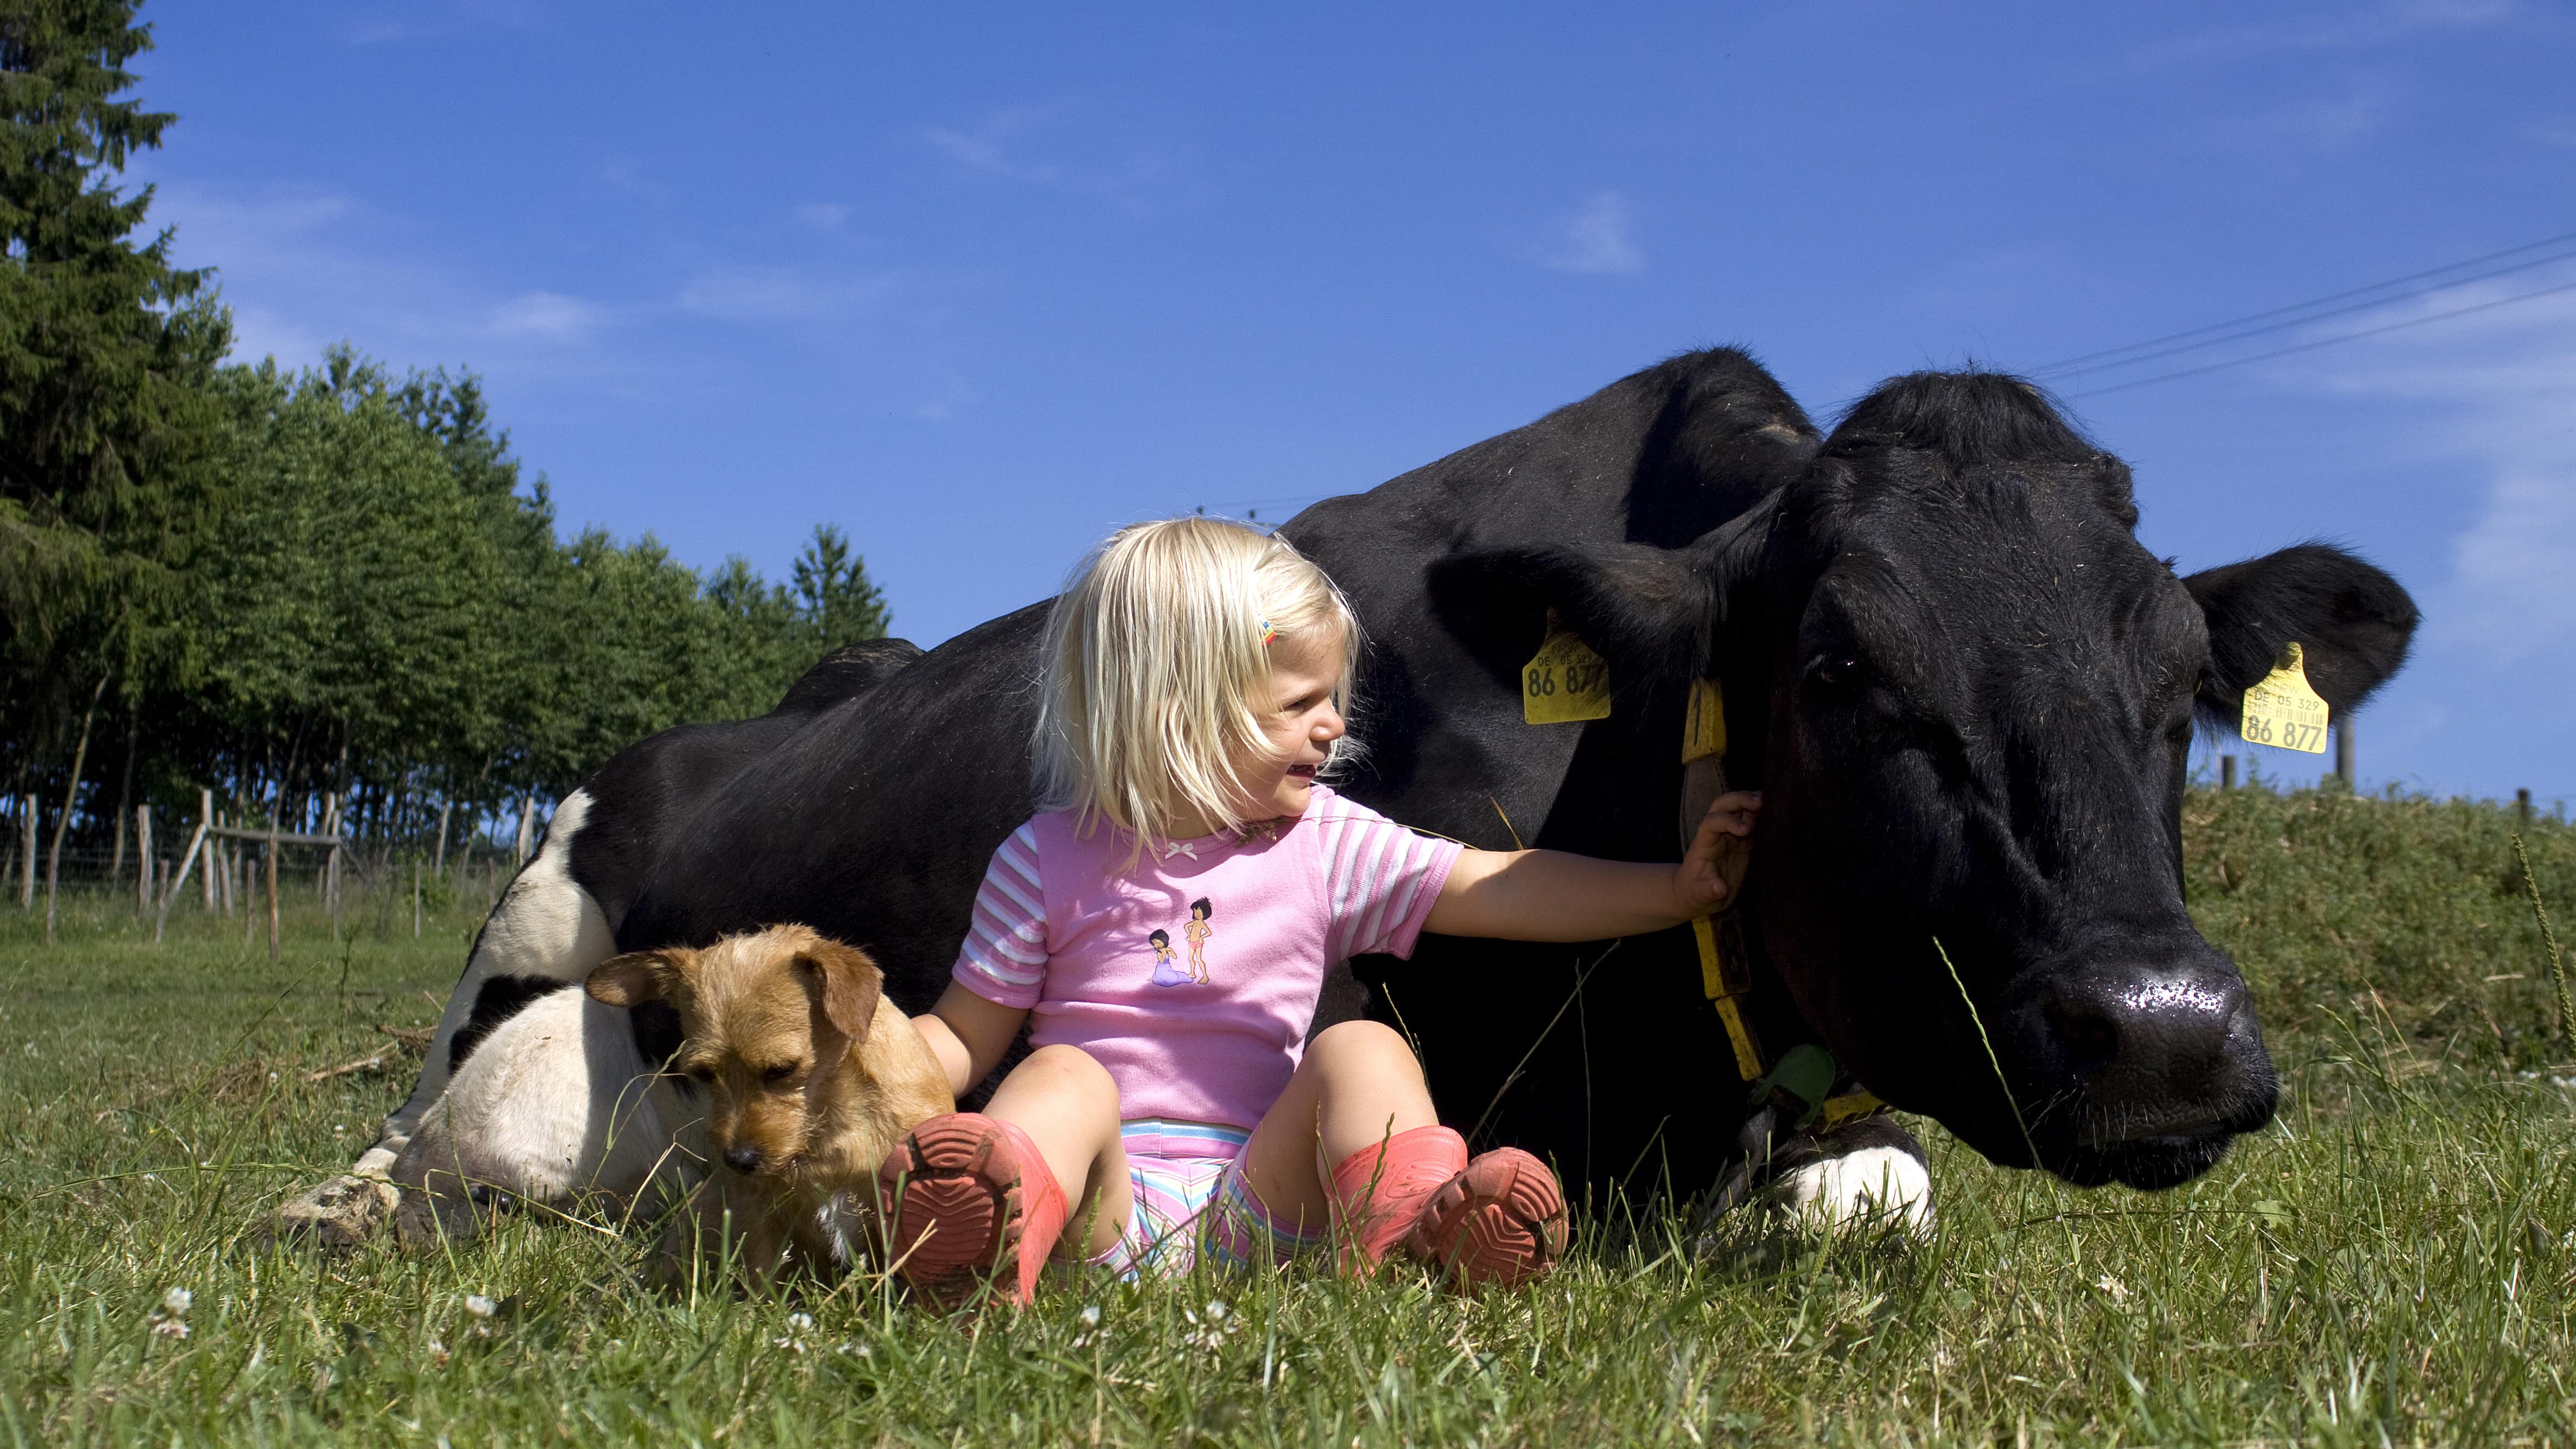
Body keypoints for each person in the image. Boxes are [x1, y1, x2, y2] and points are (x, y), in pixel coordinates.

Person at [880, 517, 1759, 1306]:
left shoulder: (1324, 843)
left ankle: (1419, 1233)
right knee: (1063, 1076)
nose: (1334, 726)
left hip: (1261, 1206)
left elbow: (1497, 884)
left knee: (1363, 1048)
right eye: (1300, 703)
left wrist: (1673, 890)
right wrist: (855, 1064)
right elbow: (962, 1039)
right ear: (1177, 713)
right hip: (1096, 1209)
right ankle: (986, 1243)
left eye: (1332, 698)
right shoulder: (1044, 858)